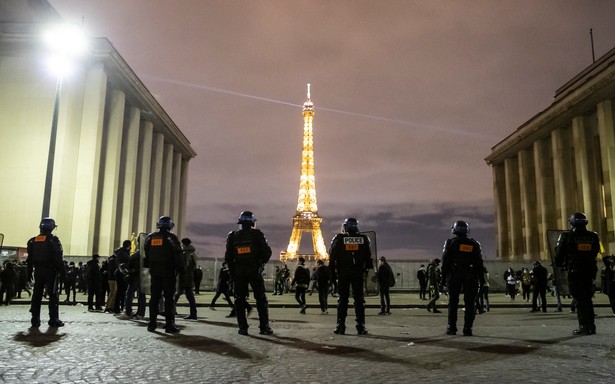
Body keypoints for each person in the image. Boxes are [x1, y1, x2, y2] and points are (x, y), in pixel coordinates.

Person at [224, 211, 273, 336]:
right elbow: (267, 252)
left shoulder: (232, 236)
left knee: (239, 299)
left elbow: (228, 257)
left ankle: (243, 328)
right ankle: (264, 327)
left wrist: (233, 271)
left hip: (239, 271)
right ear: (252, 222)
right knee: (261, 299)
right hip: (254, 270)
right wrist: (260, 263)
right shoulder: (257, 234)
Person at [555, 212, 600, 335]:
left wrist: (560, 264)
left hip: (575, 271)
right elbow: (595, 252)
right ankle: (591, 326)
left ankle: (584, 327)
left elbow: (558, 255)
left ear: (572, 222)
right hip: (590, 271)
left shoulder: (567, 236)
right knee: (587, 298)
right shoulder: (593, 236)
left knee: (580, 299)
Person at [328, 217, 373, 335]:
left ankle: (340, 325)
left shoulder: (339, 239)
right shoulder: (363, 239)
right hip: (358, 273)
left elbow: (332, 258)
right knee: (359, 300)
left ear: (345, 226)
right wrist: (366, 271)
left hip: (343, 273)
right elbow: (369, 258)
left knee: (342, 300)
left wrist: (332, 275)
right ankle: (360, 326)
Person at [441, 220, 485, 336]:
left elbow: (445, 262)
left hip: (454, 275)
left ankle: (451, 327)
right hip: (471, 275)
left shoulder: (450, 242)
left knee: (453, 302)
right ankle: (467, 328)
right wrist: (482, 279)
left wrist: (442, 279)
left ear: (454, 229)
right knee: (470, 303)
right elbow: (479, 263)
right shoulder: (474, 244)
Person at [144, 216, 183, 333]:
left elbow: (146, 255)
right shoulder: (172, 238)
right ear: (170, 226)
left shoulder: (150, 238)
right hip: (168, 273)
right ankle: (169, 325)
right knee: (169, 299)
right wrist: (180, 270)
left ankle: (152, 324)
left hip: (155, 272)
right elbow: (178, 256)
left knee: (154, 298)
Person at [26, 217, 65, 328]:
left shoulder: (33, 240)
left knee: (37, 295)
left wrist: (29, 273)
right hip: (50, 271)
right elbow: (58, 257)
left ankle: (35, 320)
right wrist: (62, 272)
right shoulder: (53, 240)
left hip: (38, 271)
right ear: (52, 227)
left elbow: (29, 259)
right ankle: (53, 319)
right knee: (53, 295)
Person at [174, 238, 198, 320]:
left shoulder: (184, 253)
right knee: (190, 297)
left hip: (183, 278)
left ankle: (171, 311)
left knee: (176, 295)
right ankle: (193, 314)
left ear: (183, 244)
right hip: (190, 278)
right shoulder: (193, 254)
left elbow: (181, 267)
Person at [123, 246, 146, 319]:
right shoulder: (145, 255)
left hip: (134, 277)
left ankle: (128, 311)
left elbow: (128, 266)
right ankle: (141, 313)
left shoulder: (133, 256)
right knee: (142, 296)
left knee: (129, 294)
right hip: (142, 277)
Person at [113, 240, 131, 314]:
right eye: (130, 245)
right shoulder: (123, 253)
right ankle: (117, 308)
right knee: (120, 291)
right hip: (121, 274)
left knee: (121, 291)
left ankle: (119, 307)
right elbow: (122, 264)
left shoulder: (122, 252)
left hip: (121, 273)